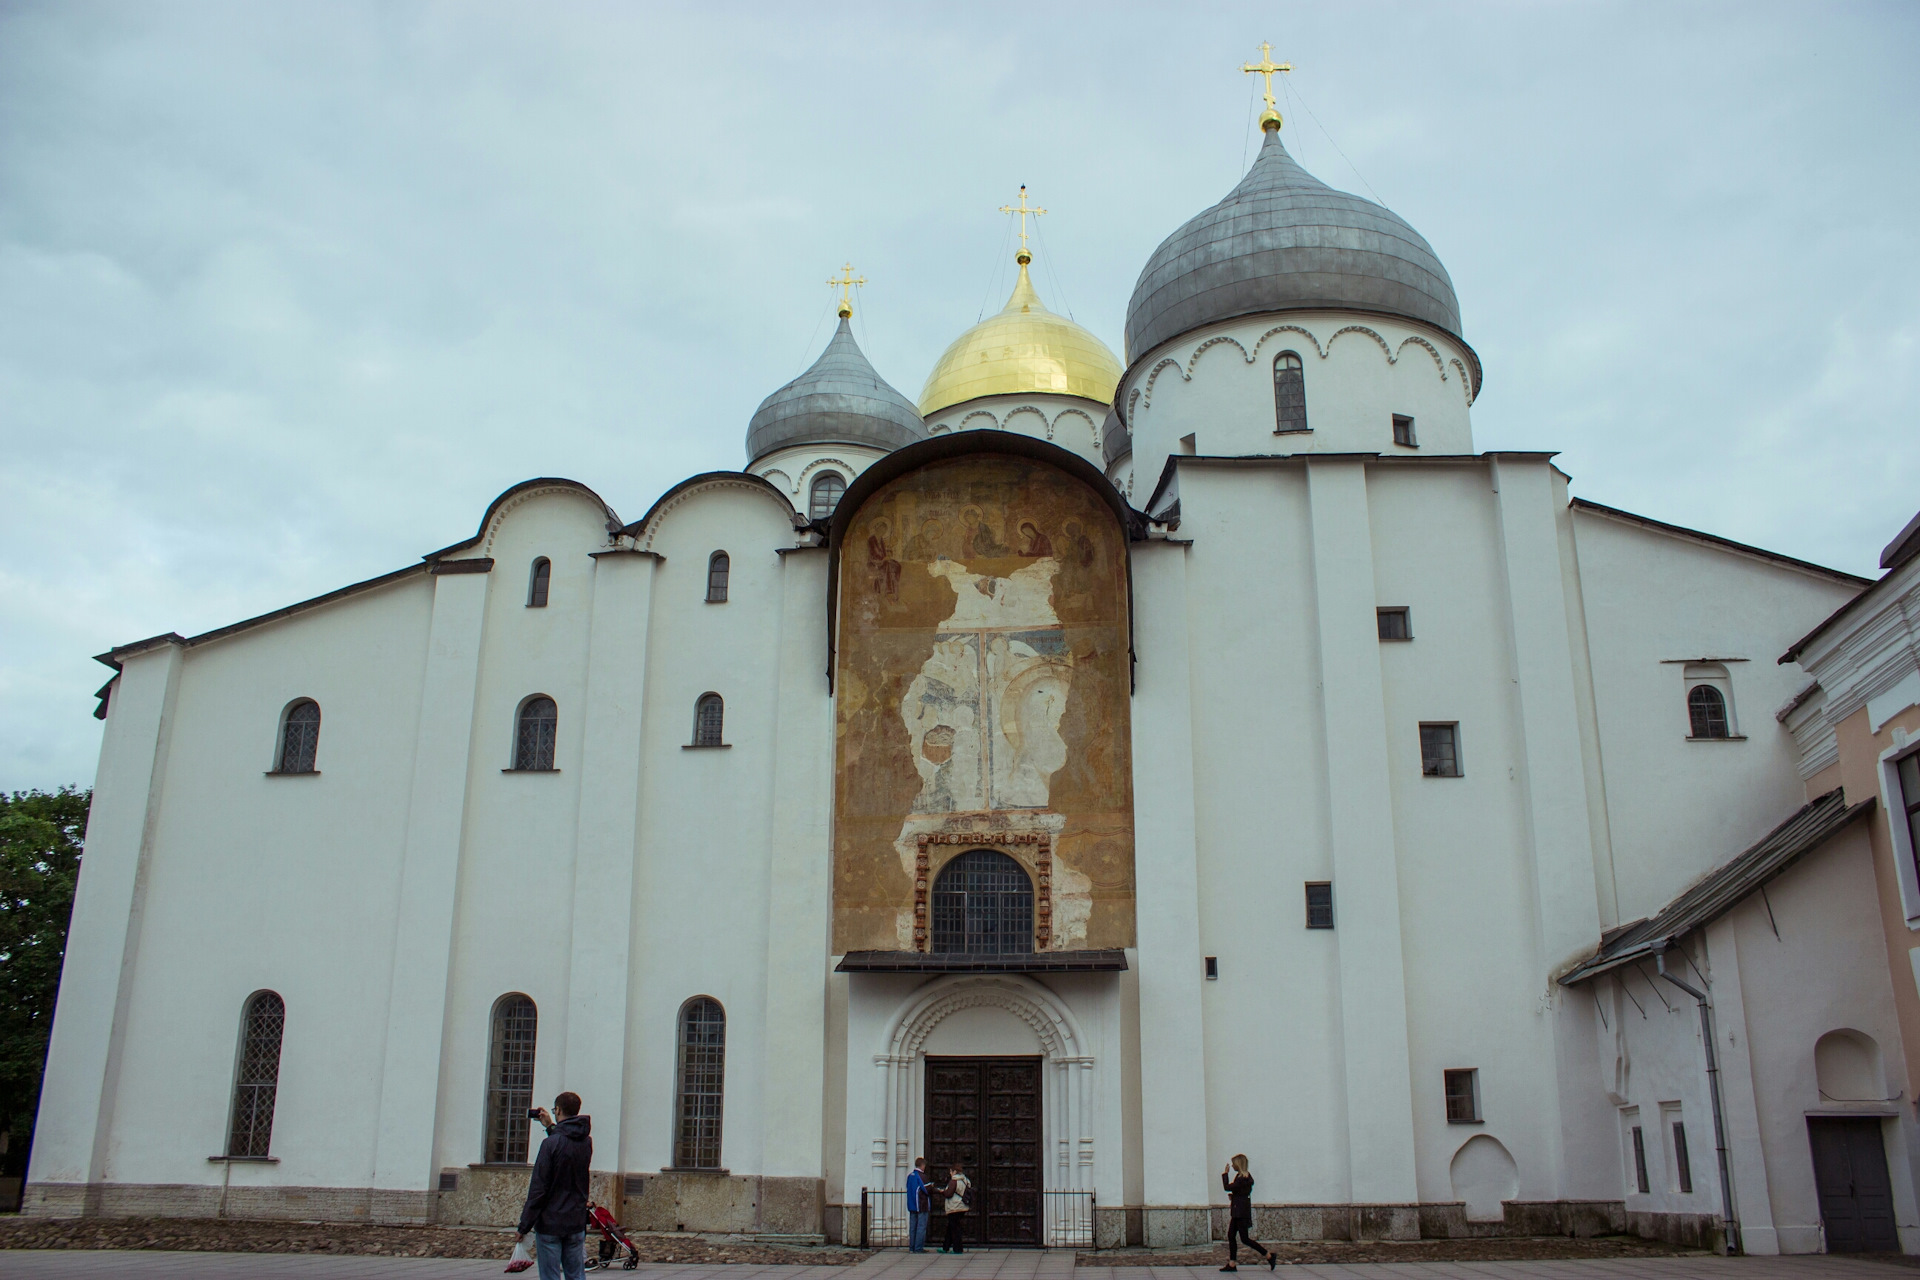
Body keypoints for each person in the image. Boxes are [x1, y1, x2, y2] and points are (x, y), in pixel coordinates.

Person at [517, 1092, 593, 1280]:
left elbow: (539, 1189)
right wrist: (551, 1126)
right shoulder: (585, 1143)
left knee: (550, 1276)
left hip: (551, 1222)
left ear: (558, 1110)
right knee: (576, 1275)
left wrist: (524, 1226)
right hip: (575, 1220)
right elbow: (567, 1146)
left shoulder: (549, 1144)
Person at [1220, 1154, 1274, 1272]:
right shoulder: (1242, 1177)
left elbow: (1227, 1187)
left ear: (1238, 1164)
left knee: (1245, 1239)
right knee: (1231, 1236)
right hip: (1238, 1211)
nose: (1232, 1165)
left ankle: (1269, 1255)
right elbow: (1241, 1193)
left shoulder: (1242, 1178)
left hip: (1240, 1212)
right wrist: (1234, 1197)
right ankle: (1232, 1263)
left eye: (1234, 1163)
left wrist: (1225, 1174)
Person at [938, 1163, 971, 1254]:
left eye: (951, 1171)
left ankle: (958, 1249)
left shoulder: (954, 1181)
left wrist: (942, 1192)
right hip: (962, 1206)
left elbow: (949, 1194)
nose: (950, 1173)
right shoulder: (966, 1180)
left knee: (955, 1229)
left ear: (954, 1171)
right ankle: (945, 1247)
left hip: (954, 1207)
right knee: (951, 1227)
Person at [905, 1157, 930, 1253]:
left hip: (911, 1204)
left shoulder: (910, 1176)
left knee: (913, 1227)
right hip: (921, 1204)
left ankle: (912, 1247)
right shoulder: (922, 1176)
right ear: (923, 1165)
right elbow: (926, 1189)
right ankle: (918, 1247)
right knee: (921, 1226)